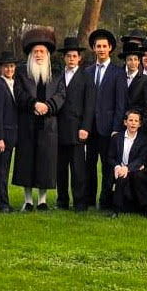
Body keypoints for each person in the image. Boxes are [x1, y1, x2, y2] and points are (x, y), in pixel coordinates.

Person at [13, 28, 64, 211]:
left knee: (46, 163)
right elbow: (18, 94)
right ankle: (27, 200)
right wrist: (34, 104)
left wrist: (48, 106)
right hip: (27, 123)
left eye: (42, 51)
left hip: (48, 125)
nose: (39, 55)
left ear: (48, 53)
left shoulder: (57, 72)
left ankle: (42, 200)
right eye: (36, 52)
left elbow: (61, 95)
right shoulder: (22, 72)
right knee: (27, 162)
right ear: (31, 54)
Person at [83, 28, 127, 211]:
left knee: (108, 166)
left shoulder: (118, 72)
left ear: (110, 48)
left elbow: (121, 103)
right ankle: (89, 200)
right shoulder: (87, 72)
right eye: (98, 46)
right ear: (93, 48)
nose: (101, 49)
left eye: (104, 46)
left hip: (109, 128)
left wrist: (117, 127)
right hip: (90, 127)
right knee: (89, 165)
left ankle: (106, 200)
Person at [53, 38, 95, 211]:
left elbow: (90, 105)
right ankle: (62, 200)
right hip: (59, 129)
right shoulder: (57, 77)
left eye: (74, 56)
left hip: (78, 129)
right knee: (60, 168)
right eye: (68, 56)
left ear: (79, 58)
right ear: (64, 58)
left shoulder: (86, 77)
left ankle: (80, 202)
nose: (71, 59)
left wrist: (85, 127)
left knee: (78, 169)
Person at [0, 53, 19, 212]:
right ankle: (2, 204)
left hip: (12, 134)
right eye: (6, 66)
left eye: (12, 66)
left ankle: (3, 202)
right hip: (3, 136)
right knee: (1, 171)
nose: (9, 69)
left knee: (6, 170)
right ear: (1, 68)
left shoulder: (14, 83)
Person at [108, 108, 147, 215]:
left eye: (136, 121)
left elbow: (141, 159)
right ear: (125, 122)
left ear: (140, 124)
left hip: (135, 169)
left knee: (138, 177)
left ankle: (145, 207)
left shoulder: (143, 140)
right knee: (121, 177)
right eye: (131, 120)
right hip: (120, 169)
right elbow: (110, 157)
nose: (133, 123)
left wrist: (128, 168)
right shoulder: (116, 138)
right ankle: (116, 210)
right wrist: (117, 166)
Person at [121, 37, 147, 130]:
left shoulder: (146, 80)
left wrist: (141, 125)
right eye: (130, 59)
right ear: (125, 61)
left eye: (135, 59)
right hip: (121, 125)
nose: (133, 62)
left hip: (138, 126)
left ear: (139, 61)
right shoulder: (120, 78)